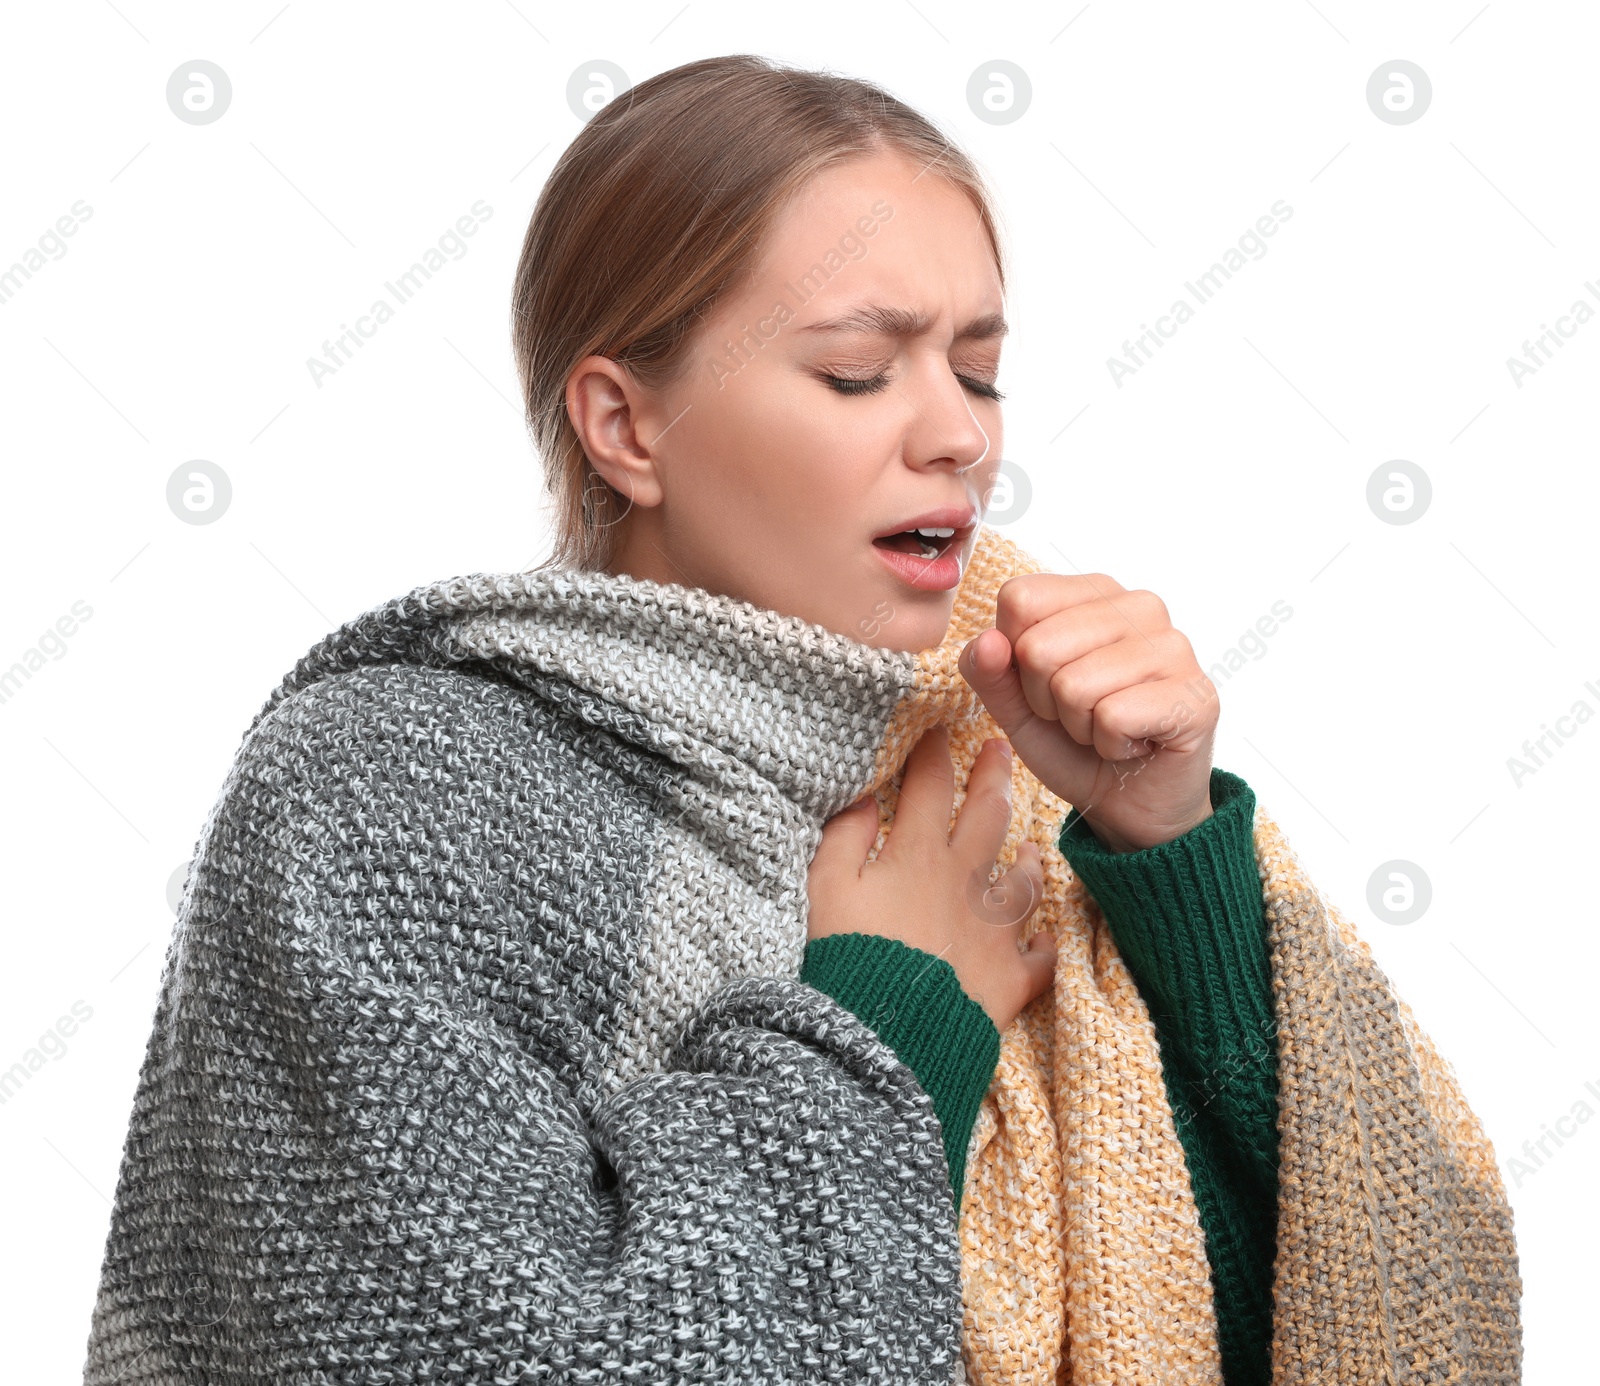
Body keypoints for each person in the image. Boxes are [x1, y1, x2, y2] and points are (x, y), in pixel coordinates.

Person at [83, 54, 1520, 1385]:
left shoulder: (1014, 748)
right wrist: (892, 1009)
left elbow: (1395, 1290)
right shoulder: (382, 796)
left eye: (977, 366)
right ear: (624, 428)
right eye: (857, 368)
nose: (959, 434)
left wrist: (1173, 861)